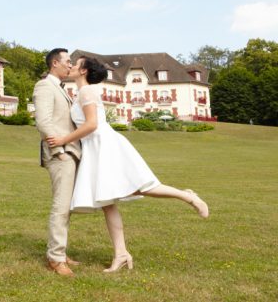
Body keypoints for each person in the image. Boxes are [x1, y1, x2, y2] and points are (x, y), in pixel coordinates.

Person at [46, 56, 209, 273]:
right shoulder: (80, 92)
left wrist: (64, 140)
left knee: (141, 186)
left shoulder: (87, 91)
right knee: (107, 201)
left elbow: (92, 124)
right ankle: (121, 253)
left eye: (76, 64)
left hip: (105, 145)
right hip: (94, 148)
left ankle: (188, 196)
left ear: (83, 71)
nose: (72, 66)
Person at [33, 48, 82, 277]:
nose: (70, 65)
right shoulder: (44, 86)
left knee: (66, 208)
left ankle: (60, 253)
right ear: (55, 63)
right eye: (67, 61)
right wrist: (60, 150)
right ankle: (55, 258)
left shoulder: (62, 89)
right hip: (59, 154)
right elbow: (43, 122)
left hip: (72, 153)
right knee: (60, 206)